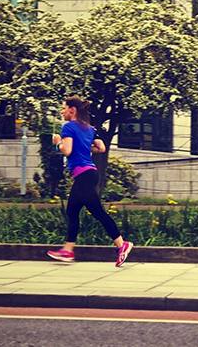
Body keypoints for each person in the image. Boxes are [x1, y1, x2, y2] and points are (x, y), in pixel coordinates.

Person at [47, 96, 133, 266]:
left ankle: (122, 244)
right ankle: (68, 250)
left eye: (64, 108)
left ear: (72, 110)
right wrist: (84, 147)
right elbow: (101, 148)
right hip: (89, 174)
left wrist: (57, 143)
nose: (62, 111)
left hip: (83, 175)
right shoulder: (90, 128)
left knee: (97, 212)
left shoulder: (68, 127)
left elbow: (67, 151)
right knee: (72, 211)